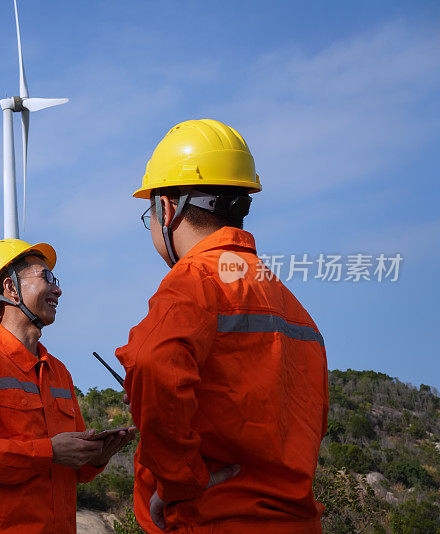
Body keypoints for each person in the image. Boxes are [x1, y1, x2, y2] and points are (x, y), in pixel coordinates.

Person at [116, 119, 329, 533]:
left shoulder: (192, 281)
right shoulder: (292, 306)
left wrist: (179, 484)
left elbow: (152, 362)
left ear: (167, 208)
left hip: (217, 518)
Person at [0, 239, 135, 533]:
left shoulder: (59, 372)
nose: (58, 289)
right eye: (46, 278)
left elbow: (75, 470)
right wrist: (48, 453)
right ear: (11, 288)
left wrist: (98, 456)